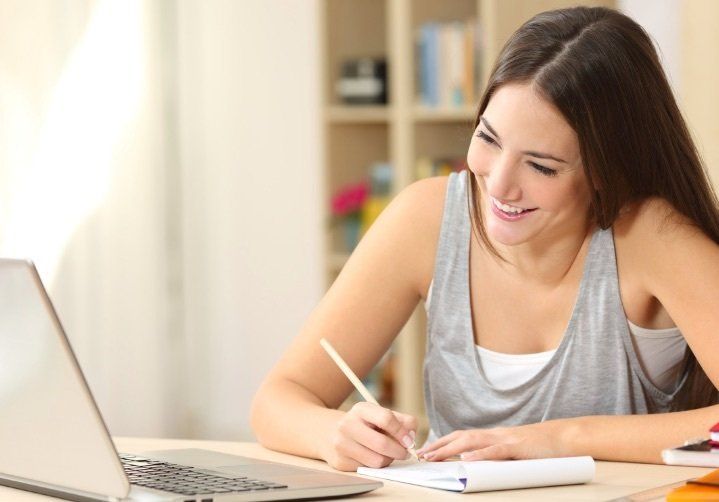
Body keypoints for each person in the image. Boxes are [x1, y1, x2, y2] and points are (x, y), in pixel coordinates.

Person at [250, 6, 719, 471]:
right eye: (489, 139)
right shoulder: (426, 218)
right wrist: (335, 433)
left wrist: (561, 437)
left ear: (605, 169)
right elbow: (279, 399)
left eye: (540, 166)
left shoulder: (650, 236)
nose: (497, 185)